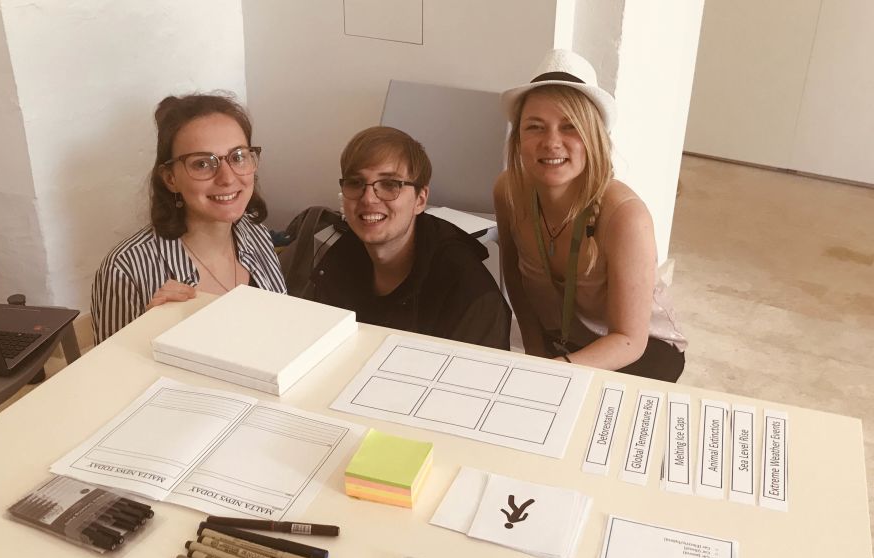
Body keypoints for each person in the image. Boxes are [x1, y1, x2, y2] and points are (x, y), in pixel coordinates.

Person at [494, 50, 687, 381]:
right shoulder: (508, 191)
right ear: (519, 139)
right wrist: (535, 355)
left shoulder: (626, 216)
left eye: (570, 127)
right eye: (535, 127)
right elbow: (514, 279)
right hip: (564, 340)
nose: (551, 142)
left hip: (640, 351)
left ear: (594, 138)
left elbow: (629, 339)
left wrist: (556, 372)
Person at [91, 93, 286, 343]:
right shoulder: (125, 269)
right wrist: (149, 336)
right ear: (170, 178)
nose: (227, 178)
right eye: (203, 164)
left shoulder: (257, 235)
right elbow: (110, 373)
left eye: (238, 157)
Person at [309, 126, 510, 351]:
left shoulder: (470, 295)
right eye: (355, 182)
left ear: (420, 200)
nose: (368, 198)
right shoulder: (339, 261)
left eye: (389, 184)